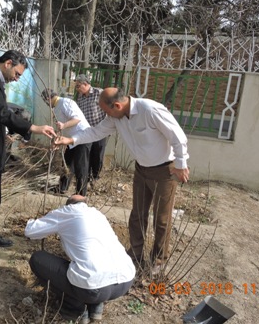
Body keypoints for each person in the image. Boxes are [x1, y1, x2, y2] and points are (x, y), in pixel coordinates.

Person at [55, 87, 190, 275]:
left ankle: (159, 260)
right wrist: (70, 139)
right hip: (142, 169)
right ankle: (135, 255)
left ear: (117, 105)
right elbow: (95, 132)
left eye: (106, 110)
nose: (105, 115)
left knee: (161, 219)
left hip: (164, 171)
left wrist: (181, 164)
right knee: (137, 215)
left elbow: (177, 136)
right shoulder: (116, 117)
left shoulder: (150, 110)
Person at [0, 50, 56, 261]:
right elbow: (1, 112)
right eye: (17, 73)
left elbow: (0, 115)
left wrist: (6, 134)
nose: (17, 78)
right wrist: (33, 127)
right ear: (8, 63)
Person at [25, 195, 135, 323]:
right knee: (92, 264)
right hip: (125, 282)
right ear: (85, 203)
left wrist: (41, 218)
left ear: (68, 205)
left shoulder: (66, 212)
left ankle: (75, 308)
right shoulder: (97, 214)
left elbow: (30, 231)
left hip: (94, 288)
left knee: (37, 259)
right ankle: (96, 306)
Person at [41, 88, 91, 196]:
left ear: (48, 98)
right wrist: (58, 140)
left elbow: (76, 119)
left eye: (45, 101)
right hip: (71, 139)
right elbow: (61, 127)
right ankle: (62, 188)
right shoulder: (56, 107)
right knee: (67, 164)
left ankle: (81, 194)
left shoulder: (66, 102)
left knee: (80, 167)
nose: (46, 104)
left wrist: (64, 125)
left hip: (82, 137)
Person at [74, 74, 107, 182]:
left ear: (85, 84)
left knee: (97, 155)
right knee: (86, 154)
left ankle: (95, 177)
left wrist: (107, 127)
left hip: (100, 130)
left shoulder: (99, 93)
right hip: (87, 132)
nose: (77, 89)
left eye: (78, 86)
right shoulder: (80, 97)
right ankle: (86, 177)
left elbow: (108, 109)